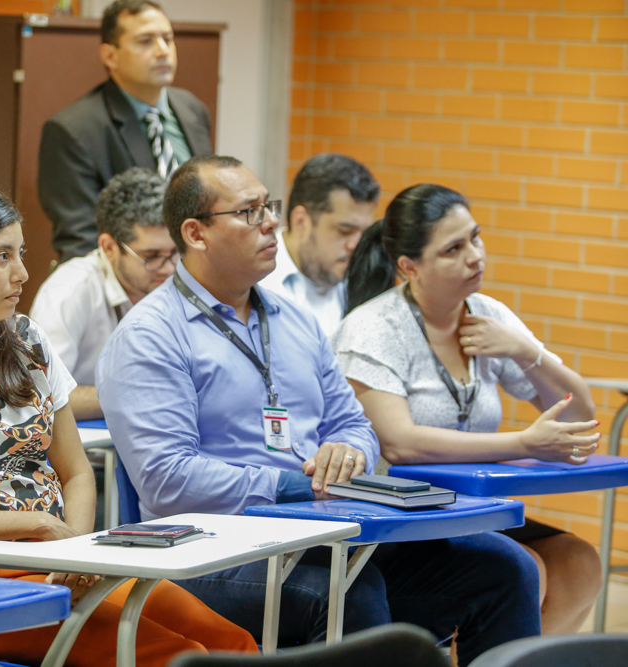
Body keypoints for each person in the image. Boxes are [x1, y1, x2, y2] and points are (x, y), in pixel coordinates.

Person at [96, 155, 543, 666]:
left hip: (324, 533)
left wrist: (348, 453)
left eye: (270, 206)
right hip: (211, 552)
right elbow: (166, 479)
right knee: (348, 593)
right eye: (248, 212)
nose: (271, 223)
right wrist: (294, 484)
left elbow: (353, 423)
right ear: (195, 233)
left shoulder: (294, 320)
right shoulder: (150, 335)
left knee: (504, 569)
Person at [0, 187, 258, 667]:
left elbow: (76, 472)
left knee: (231, 644)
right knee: (177, 656)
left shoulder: (27, 339)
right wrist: (40, 526)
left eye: (20, 253)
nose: (22, 273)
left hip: (56, 560)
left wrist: (78, 553)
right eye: (1, 257)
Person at [334, 183, 603, 634]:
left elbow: (578, 417)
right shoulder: (372, 329)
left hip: (474, 508)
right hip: (399, 518)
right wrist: (523, 442)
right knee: (525, 568)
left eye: (475, 238)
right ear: (409, 266)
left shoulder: (487, 316)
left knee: (580, 563)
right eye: (453, 249)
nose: (475, 256)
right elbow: (401, 444)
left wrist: (525, 350)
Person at [38, 0, 213, 263]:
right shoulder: (74, 130)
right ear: (110, 55)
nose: (162, 51)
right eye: (145, 41)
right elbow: (81, 241)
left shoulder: (192, 109)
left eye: (168, 39)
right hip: (131, 283)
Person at [31, 167, 176, 420]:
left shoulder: (178, 280)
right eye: (151, 257)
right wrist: (141, 396)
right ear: (109, 247)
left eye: (175, 252)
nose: (169, 267)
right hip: (87, 447)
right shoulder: (68, 291)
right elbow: (41, 396)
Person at [260, 153, 379, 336]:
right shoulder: (253, 282)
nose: (356, 245)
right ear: (301, 223)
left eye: (364, 233)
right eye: (344, 231)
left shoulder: (366, 285)